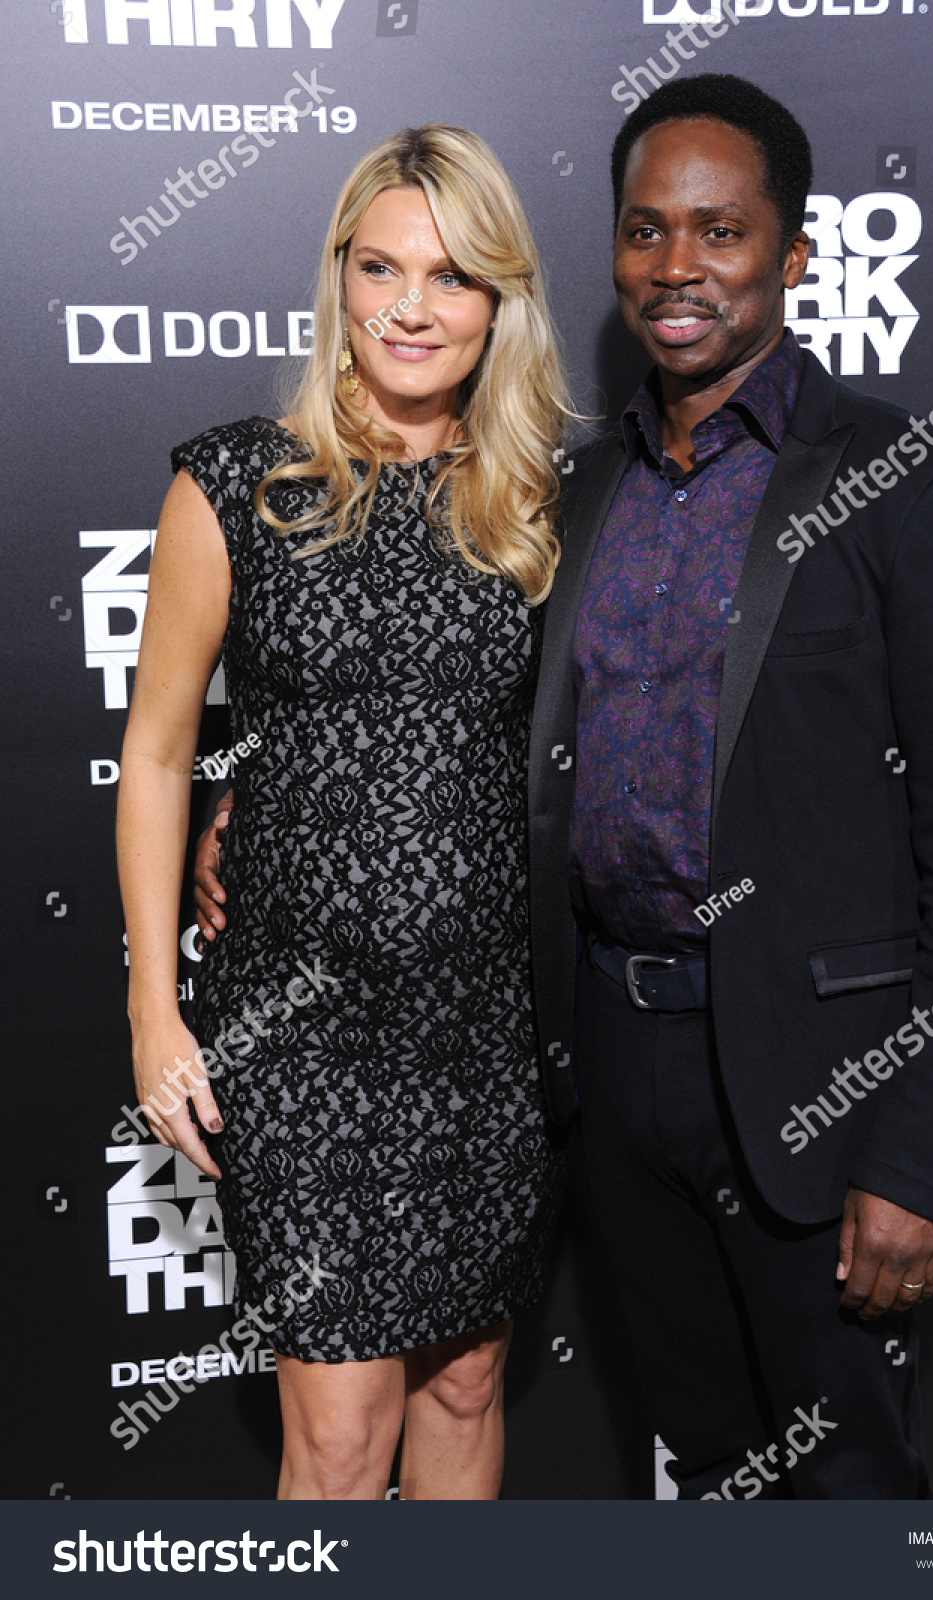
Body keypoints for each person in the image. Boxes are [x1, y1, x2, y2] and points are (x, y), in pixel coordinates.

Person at [526, 76, 933, 1498]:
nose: (675, 268)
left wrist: (919, 1159)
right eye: (643, 231)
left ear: (793, 254)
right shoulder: (575, 496)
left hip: (821, 1095)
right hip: (618, 1078)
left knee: (848, 1493)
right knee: (711, 1473)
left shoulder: (909, 486)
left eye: (718, 232)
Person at [117, 125, 569, 1501]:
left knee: (467, 1380)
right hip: (299, 1032)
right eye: (381, 267)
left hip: (479, 1026)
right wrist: (155, 1007)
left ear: (499, 301)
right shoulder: (239, 486)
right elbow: (154, 755)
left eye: (451, 275)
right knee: (334, 1434)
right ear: (339, 280)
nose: (412, 306)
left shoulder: (540, 494)